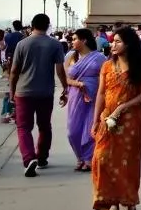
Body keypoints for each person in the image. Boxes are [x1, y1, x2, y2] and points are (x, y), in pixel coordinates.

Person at [92, 27, 141, 210]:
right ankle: (111, 203)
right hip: (107, 119)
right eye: (112, 41)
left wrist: (123, 107)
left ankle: (129, 202)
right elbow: (101, 93)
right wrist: (95, 118)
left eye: (118, 41)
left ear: (129, 44)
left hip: (132, 121)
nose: (113, 44)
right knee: (102, 158)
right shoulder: (107, 66)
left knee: (127, 162)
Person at [9, 13, 69, 177]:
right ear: (48, 25)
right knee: (44, 126)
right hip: (45, 91)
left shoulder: (22, 44)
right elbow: (59, 70)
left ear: (31, 25)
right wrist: (65, 88)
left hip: (23, 91)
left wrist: (11, 91)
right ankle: (42, 157)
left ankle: (29, 159)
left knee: (23, 127)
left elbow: (14, 71)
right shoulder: (55, 44)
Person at [65, 29, 105, 171]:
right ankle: (79, 156)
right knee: (73, 131)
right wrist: (78, 84)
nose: (72, 41)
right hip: (76, 96)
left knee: (90, 128)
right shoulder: (70, 57)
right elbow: (67, 79)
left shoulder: (100, 58)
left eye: (75, 39)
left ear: (84, 41)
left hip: (94, 96)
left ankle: (88, 158)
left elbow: (105, 78)